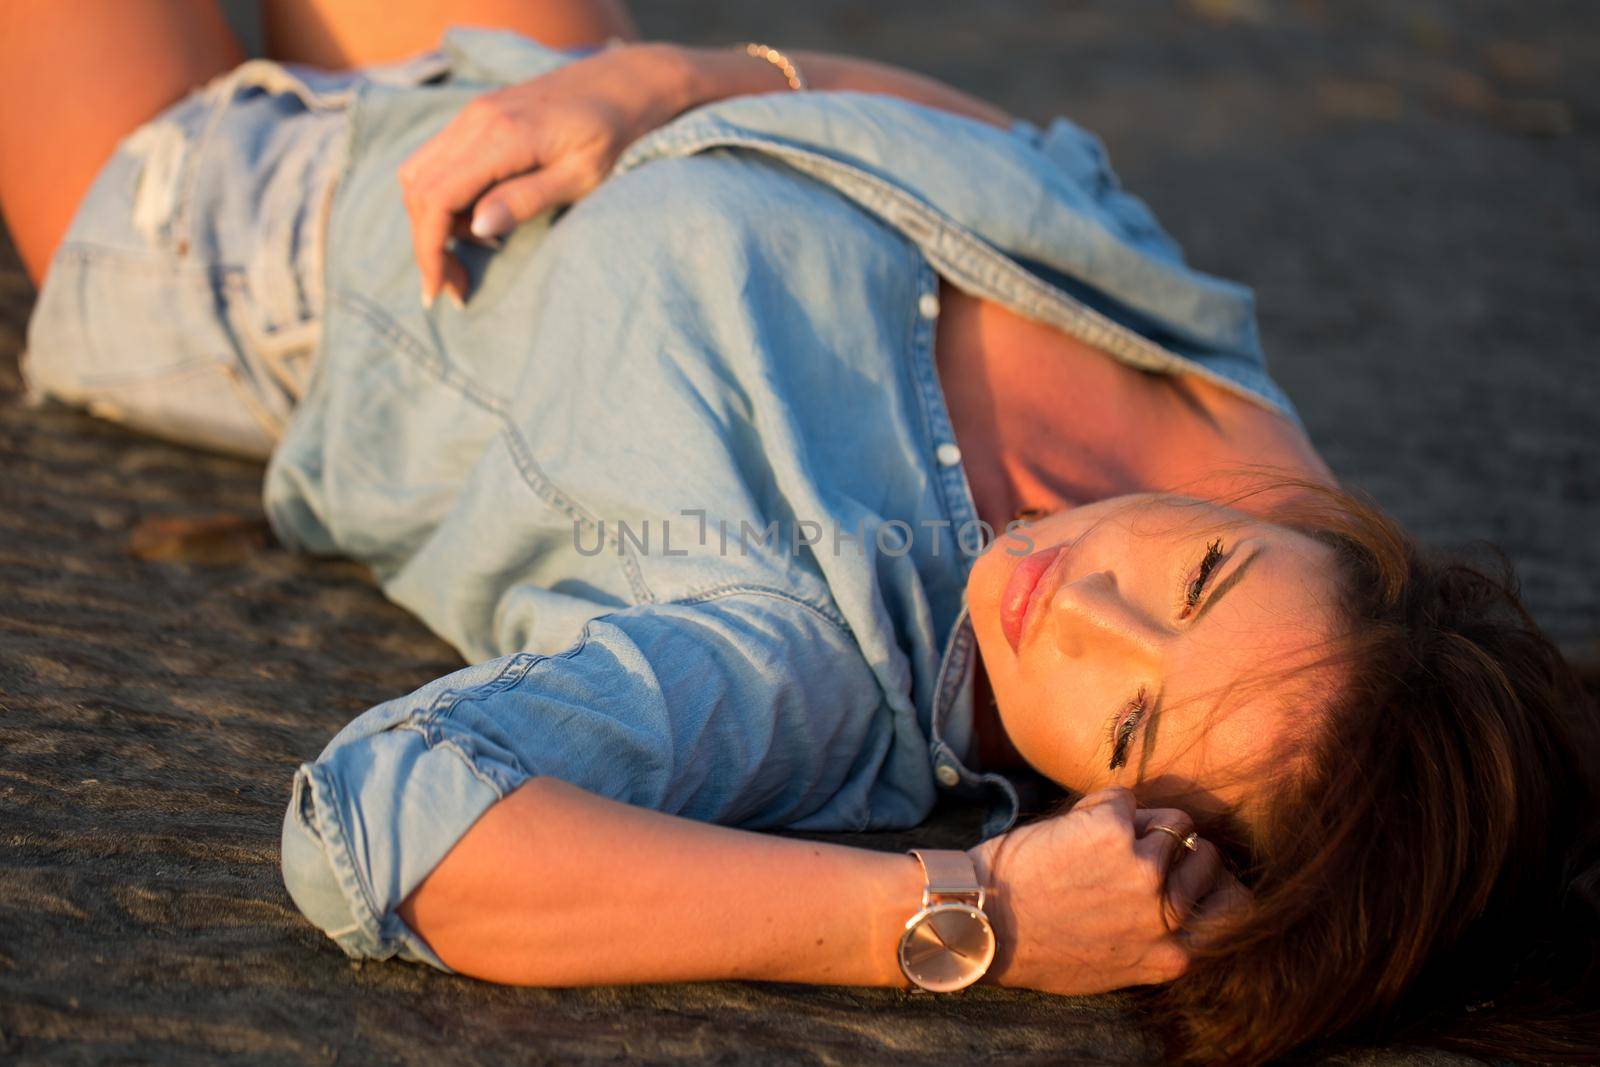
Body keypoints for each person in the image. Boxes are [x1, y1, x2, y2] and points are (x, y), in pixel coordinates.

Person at [4, 3, 1595, 1064]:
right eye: (1198, 578)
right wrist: (670, 79)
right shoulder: (1238, 430)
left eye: (1125, 717)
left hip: (241, 221)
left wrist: (982, 918)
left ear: (1134, 824)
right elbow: (1021, 160)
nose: (1075, 599)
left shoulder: (813, 659)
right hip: (552, 64)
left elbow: (388, 823)